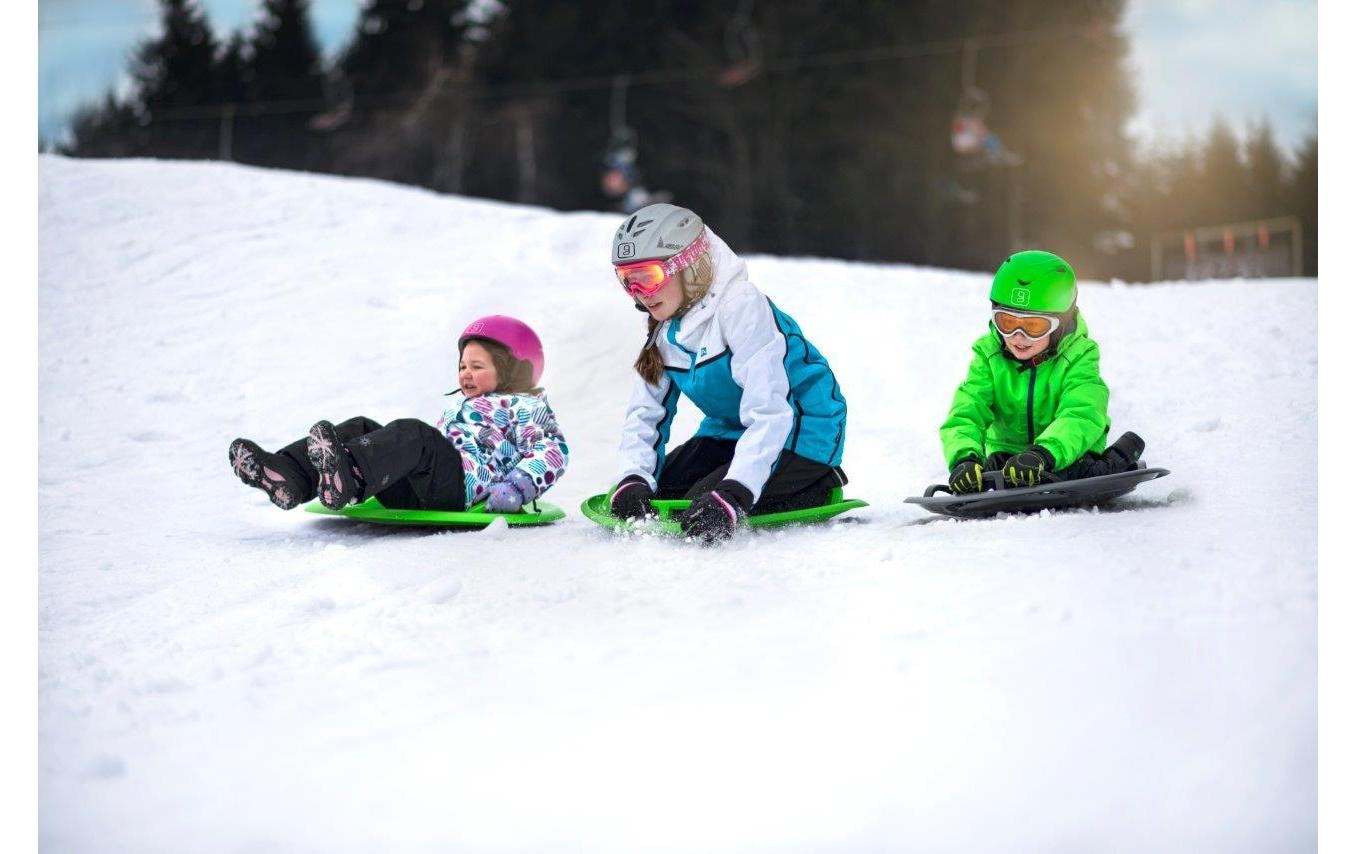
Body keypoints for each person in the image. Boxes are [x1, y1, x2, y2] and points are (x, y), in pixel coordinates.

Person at [607, 203, 848, 543]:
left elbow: (771, 413)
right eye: (627, 281)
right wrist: (634, 477)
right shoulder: (665, 329)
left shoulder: (741, 306)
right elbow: (645, 414)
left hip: (801, 429)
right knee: (657, 493)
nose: (639, 294)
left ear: (687, 266)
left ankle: (817, 479)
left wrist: (735, 494)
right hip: (730, 432)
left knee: (702, 504)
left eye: (648, 278)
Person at [228, 315, 568, 515]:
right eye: (463, 365)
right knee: (361, 427)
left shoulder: (526, 407)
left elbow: (551, 451)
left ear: (515, 370)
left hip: (460, 489)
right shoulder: (464, 407)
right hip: (418, 489)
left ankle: (349, 478)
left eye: (477, 366)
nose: (465, 373)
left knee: (415, 435)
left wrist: (519, 486)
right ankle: (291, 476)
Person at [939, 250, 1144, 494]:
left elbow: (1082, 412)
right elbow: (967, 410)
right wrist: (965, 459)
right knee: (988, 472)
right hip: (1008, 460)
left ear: (1062, 324)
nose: (1017, 337)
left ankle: (1118, 458)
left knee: (1083, 470)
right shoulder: (989, 354)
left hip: (1065, 456)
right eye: (1006, 322)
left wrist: (1044, 454)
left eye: (1033, 326)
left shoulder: (1079, 355)